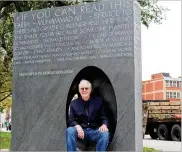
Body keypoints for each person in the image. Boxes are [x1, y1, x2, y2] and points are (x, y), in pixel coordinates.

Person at [66, 80, 109, 151]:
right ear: (79, 90)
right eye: (82, 88)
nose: (84, 90)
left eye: (86, 88)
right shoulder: (74, 103)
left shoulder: (98, 101)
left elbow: (104, 117)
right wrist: (77, 126)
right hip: (81, 132)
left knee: (105, 134)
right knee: (70, 130)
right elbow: (71, 119)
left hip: (95, 131)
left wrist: (104, 125)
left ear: (90, 90)